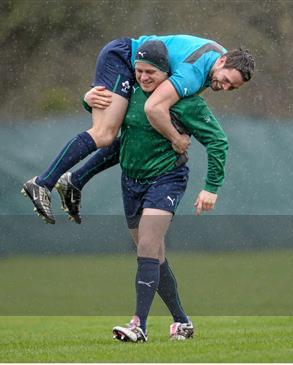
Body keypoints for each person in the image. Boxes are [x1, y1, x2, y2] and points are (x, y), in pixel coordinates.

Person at [22, 34, 254, 224]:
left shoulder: (220, 59)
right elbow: (153, 108)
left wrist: (88, 100)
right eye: (225, 80)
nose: (224, 87)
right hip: (122, 58)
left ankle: (75, 180)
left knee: (138, 132)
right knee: (104, 133)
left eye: (231, 87)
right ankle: (43, 183)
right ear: (222, 61)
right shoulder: (193, 74)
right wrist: (176, 139)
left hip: (139, 69)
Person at [108, 41, 231, 342]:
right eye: (140, 71)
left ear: (167, 72)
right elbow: (101, 112)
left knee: (148, 247)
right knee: (153, 254)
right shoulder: (131, 92)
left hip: (167, 179)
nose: (144, 77)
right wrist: (89, 97)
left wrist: (211, 187)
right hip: (131, 181)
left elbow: (218, 142)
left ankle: (138, 325)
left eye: (152, 72)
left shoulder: (185, 101)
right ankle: (182, 321)